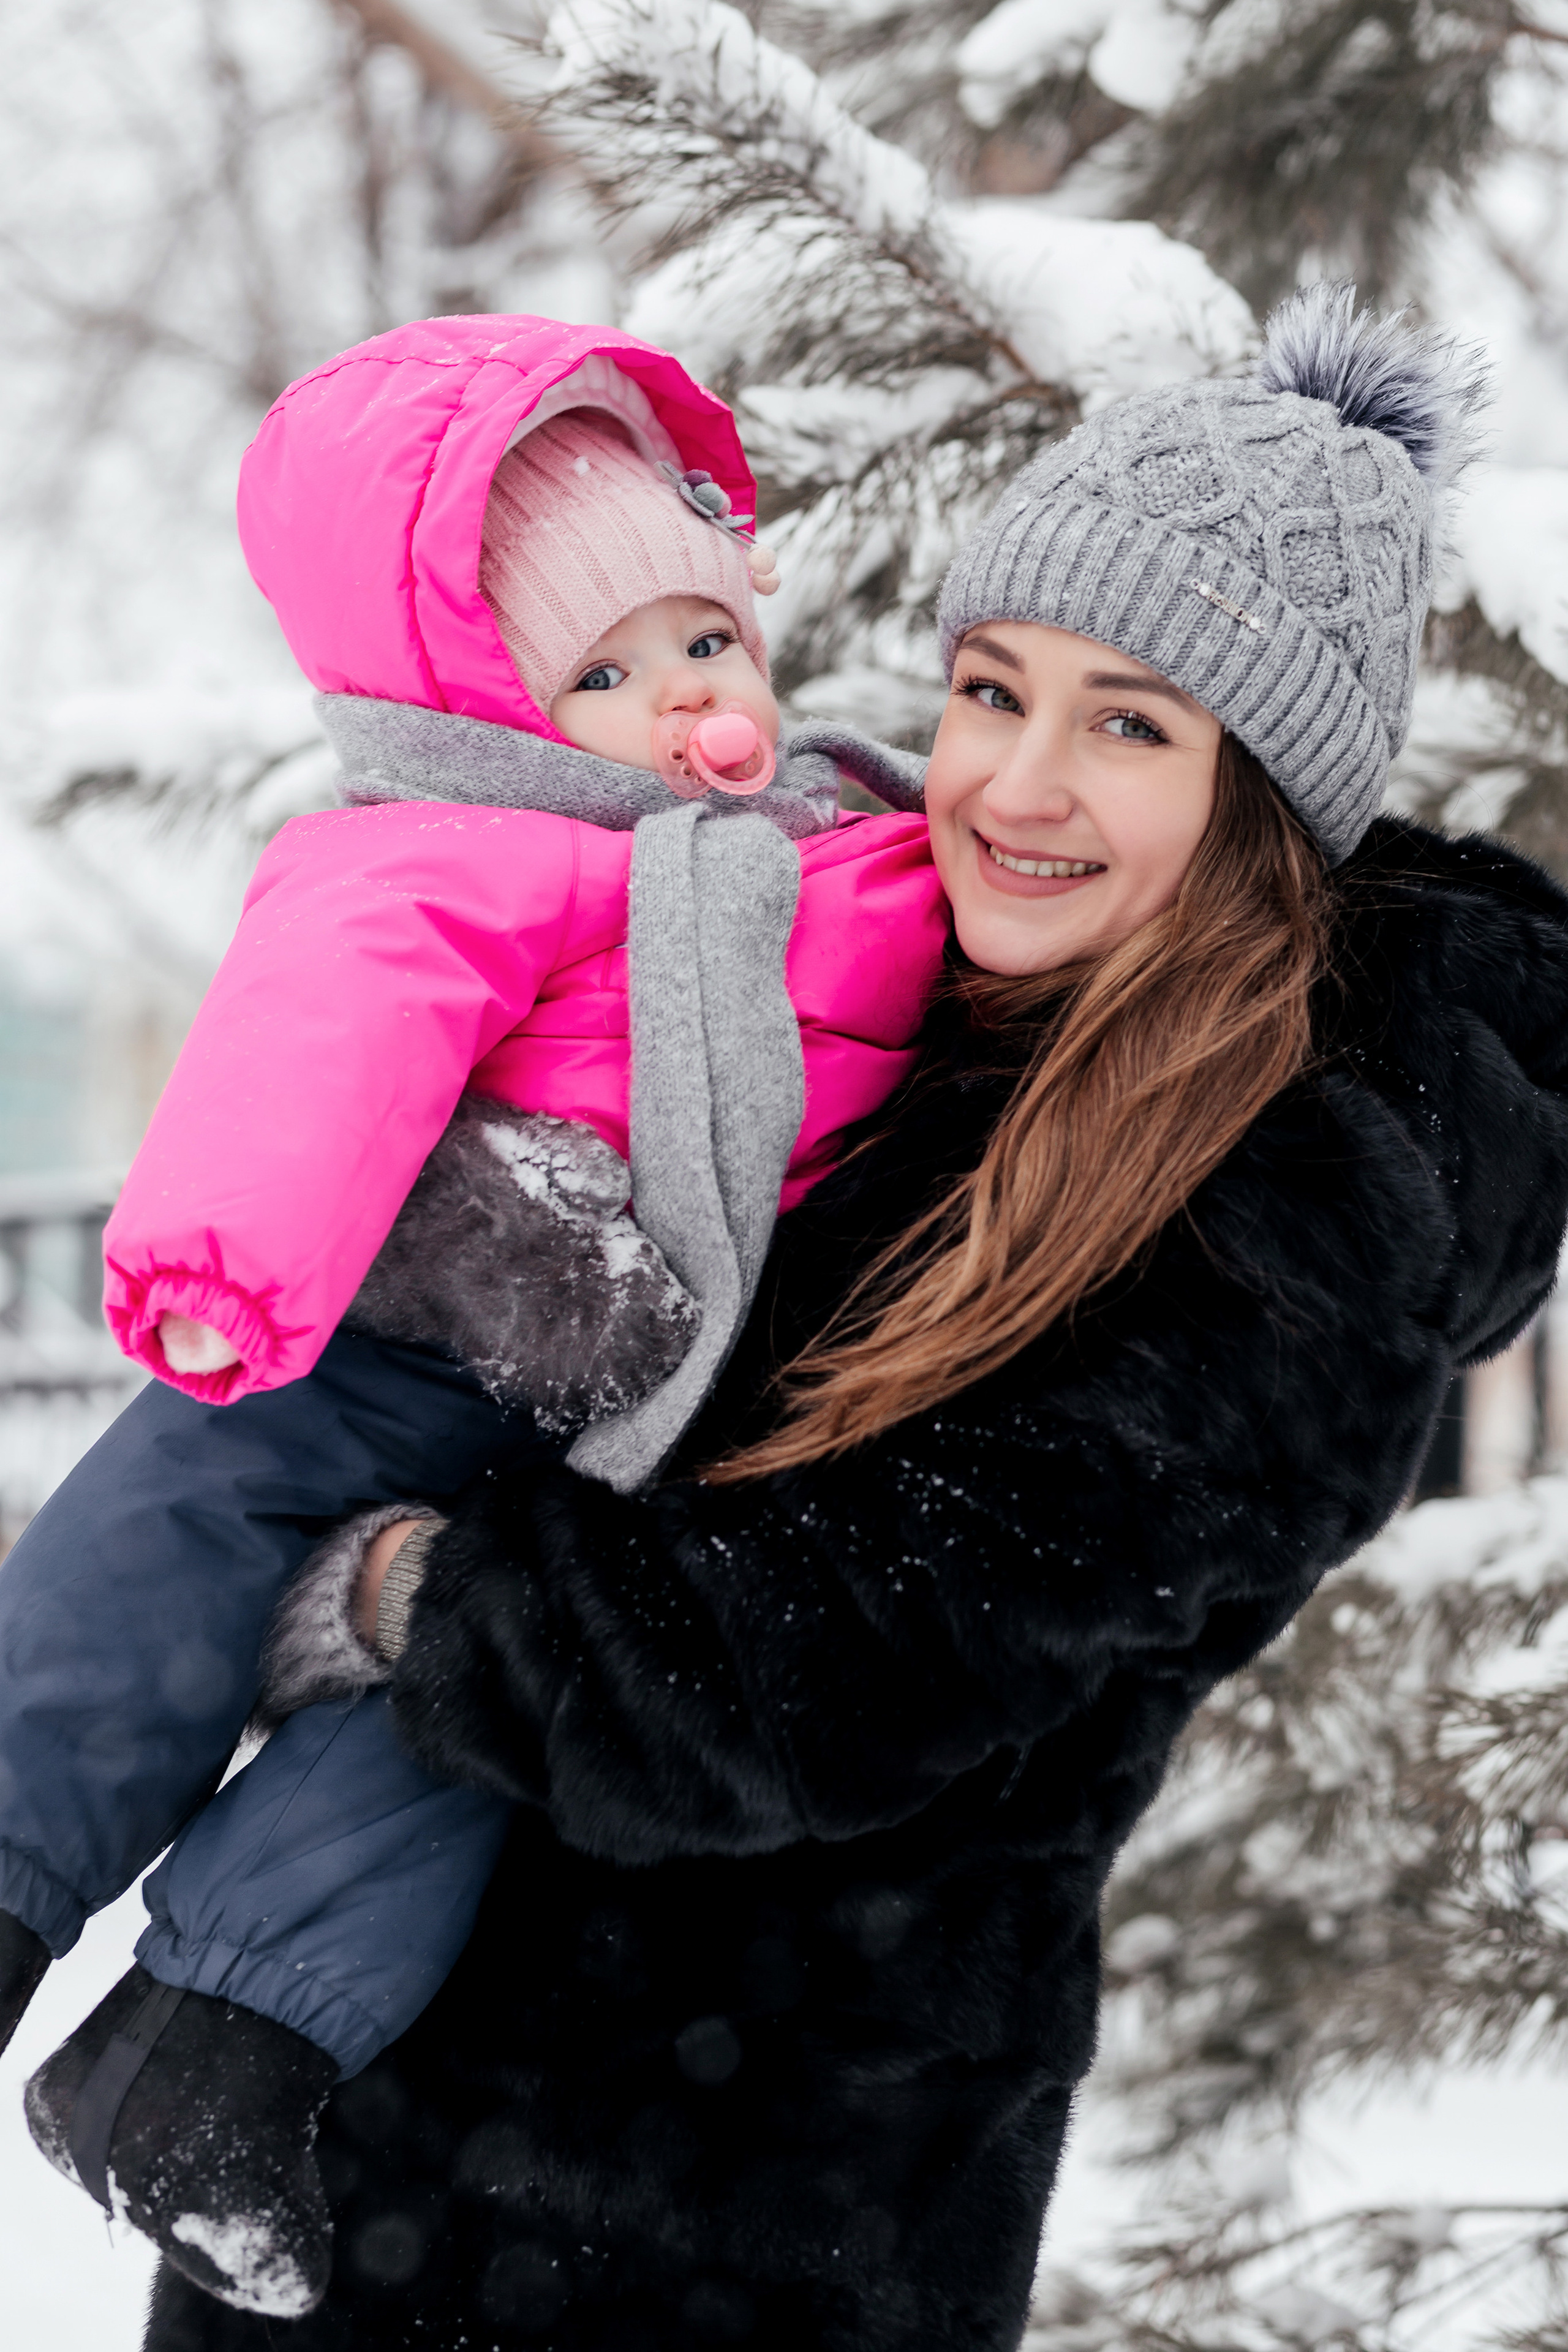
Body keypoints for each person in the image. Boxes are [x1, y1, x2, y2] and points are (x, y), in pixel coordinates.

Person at [137, 285, 1568, 2351]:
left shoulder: (1300, 1199)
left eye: (1133, 723)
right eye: (996, 689)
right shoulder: (948, 1003)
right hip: (427, 2140)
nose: (1015, 780)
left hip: (718, 2221)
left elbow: (810, 1659)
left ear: (1270, 799)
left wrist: (403, 1599)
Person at [0, 315, 950, 2316]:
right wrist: (221, 1260)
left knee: (480, 1715)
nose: (685, 698)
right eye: (603, 674)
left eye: (704, 641)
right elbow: (317, 1040)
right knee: (158, 1538)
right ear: (480, 704)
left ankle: (209, 2055)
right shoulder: (454, 851)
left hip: (613, 1415)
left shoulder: (835, 848)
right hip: (393, 1326)